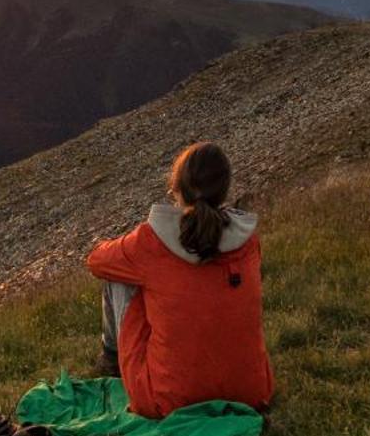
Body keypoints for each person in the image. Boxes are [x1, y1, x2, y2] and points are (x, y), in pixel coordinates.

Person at [87, 141, 275, 419]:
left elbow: (96, 261)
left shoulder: (150, 242)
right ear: (223, 189)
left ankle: (111, 360)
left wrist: (126, 243)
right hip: (251, 392)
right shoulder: (247, 241)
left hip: (168, 399)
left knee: (118, 273)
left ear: (177, 188)